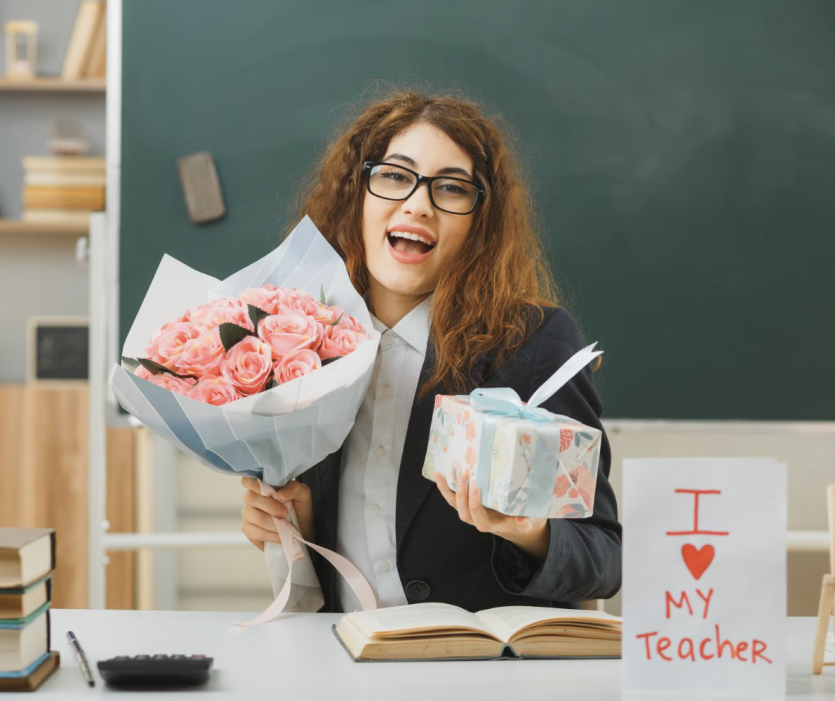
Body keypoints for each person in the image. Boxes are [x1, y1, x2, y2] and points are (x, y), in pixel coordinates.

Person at [240, 88, 621, 613]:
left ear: (479, 222)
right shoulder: (296, 345)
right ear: (357, 193)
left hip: (480, 675)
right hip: (343, 663)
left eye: (452, 188)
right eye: (395, 176)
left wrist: (531, 531)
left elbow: (602, 559)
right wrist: (293, 531)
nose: (418, 203)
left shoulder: (534, 344)